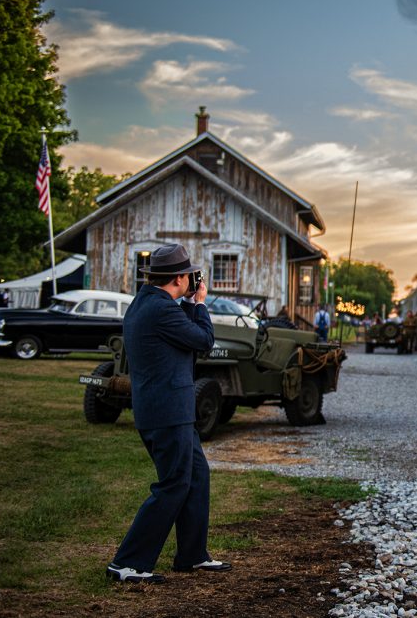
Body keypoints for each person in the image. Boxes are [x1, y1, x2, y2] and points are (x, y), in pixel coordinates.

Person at [107, 244, 231, 584]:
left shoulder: (147, 303)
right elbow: (203, 340)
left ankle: (191, 555)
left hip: (166, 409)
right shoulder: (161, 310)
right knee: (173, 485)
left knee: (197, 476)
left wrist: (189, 304)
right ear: (179, 278)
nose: (193, 280)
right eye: (189, 275)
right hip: (166, 412)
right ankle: (127, 562)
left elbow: (183, 339)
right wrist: (200, 304)